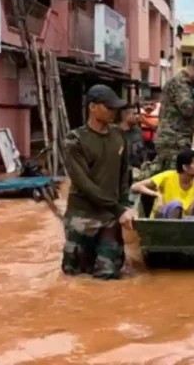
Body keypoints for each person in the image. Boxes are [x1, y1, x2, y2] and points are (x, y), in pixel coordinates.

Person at [61, 84, 138, 280]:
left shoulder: (119, 136)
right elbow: (84, 185)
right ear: (93, 107)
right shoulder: (74, 140)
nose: (113, 111)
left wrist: (125, 205)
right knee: (74, 275)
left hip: (109, 217)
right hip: (82, 217)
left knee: (109, 274)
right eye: (108, 107)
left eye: (115, 107)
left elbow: (124, 175)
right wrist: (119, 209)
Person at [141, 57, 194, 179]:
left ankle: (141, 186)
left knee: (163, 172)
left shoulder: (188, 84)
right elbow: (188, 109)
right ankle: (139, 185)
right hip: (173, 138)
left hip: (176, 138)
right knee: (173, 176)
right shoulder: (180, 83)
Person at [131, 149, 194, 219]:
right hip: (162, 218)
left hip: (183, 223)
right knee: (176, 204)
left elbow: (191, 213)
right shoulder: (168, 176)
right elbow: (135, 187)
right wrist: (157, 194)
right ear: (185, 167)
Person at [118, 100, 145, 169]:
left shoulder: (138, 131)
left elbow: (143, 153)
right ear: (125, 115)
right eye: (134, 114)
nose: (137, 116)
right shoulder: (116, 134)